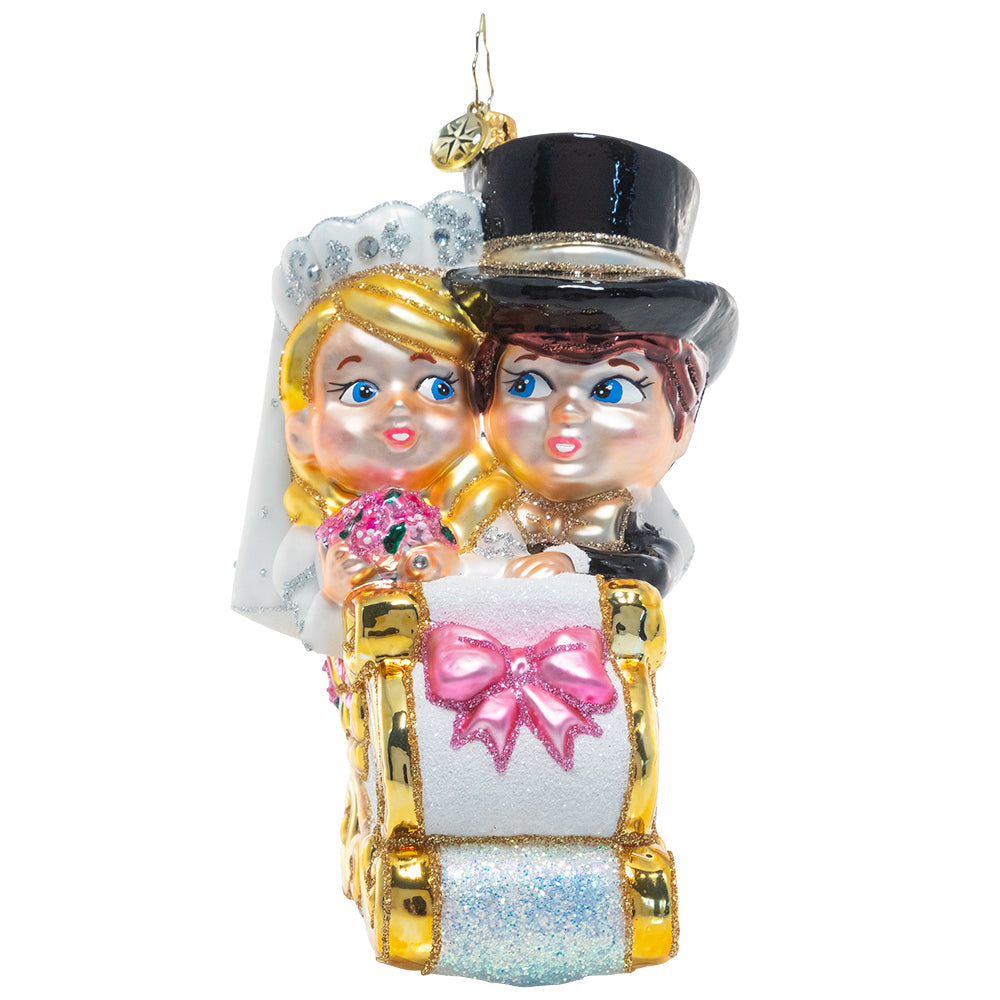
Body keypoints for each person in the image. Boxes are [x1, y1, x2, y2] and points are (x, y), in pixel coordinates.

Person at [443, 132, 739, 594]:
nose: (566, 413)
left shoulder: (638, 519)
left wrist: (577, 562)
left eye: (611, 389)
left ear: (683, 410)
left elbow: (658, 564)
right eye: (528, 384)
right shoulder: (474, 501)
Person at [241, 264, 503, 652]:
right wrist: (333, 597)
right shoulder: (308, 545)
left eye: (436, 387)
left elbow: (511, 592)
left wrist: (460, 571)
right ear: (301, 431)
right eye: (361, 391)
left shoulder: (487, 518)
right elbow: (317, 641)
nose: (400, 406)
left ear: (478, 412)